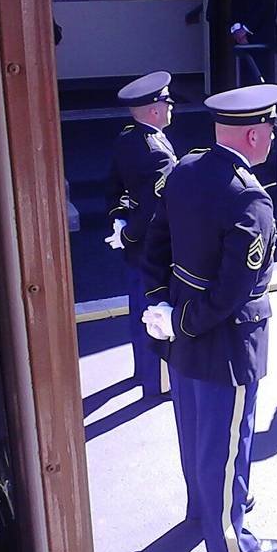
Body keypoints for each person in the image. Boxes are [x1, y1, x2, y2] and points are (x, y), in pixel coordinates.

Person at [140, 83, 277, 552]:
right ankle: (229, 540)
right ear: (251, 136)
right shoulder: (250, 200)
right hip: (225, 340)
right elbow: (232, 290)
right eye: (269, 127)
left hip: (181, 328)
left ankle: (202, 509)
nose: (272, 135)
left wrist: (164, 307)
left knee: (194, 429)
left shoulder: (184, 170)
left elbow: (156, 240)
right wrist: (184, 322)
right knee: (226, 440)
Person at [104, 71, 178, 398]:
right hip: (153, 246)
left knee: (138, 310)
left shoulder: (127, 137)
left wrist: (119, 221)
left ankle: (140, 373)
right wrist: (131, 232)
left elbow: (115, 187)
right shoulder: (157, 152)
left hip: (133, 244)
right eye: (166, 101)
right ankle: (155, 383)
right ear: (153, 110)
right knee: (155, 313)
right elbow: (154, 208)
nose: (171, 105)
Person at [230, 0, 277, 84]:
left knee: (260, 77)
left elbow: (268, 0)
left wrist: (247, 28)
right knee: (245, 77)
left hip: (261, 32)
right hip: (241, 33)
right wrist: (236, 27)